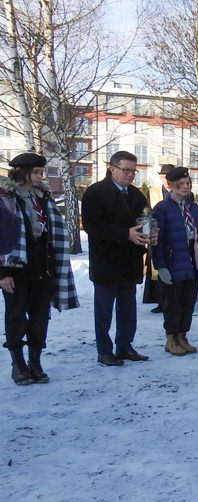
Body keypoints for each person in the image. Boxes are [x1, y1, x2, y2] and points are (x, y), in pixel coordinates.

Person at [0, 153, 79, 383]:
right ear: (22, 172)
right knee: (16, 318)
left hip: (42, 268)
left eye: (41, 172)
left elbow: (52, 232)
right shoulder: (5, 198)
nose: (40, 176)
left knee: (40, 318)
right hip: (15, 271)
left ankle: (35, 361)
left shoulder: (43, 197)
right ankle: (18, 364)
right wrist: (2, 274)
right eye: (36, 172)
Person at [81, 150, 151, 366]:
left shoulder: (136, 195)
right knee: (104, 311)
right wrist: (125, 234)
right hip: (106, 262)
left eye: (134, 171)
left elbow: (144, 219)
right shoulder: (96, 193)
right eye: (126, 170)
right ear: (112, 169)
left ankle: (124, 346)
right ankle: (104, 350)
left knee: (128, 308)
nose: (130, 175)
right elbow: (93, 227)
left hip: (129, 262)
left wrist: (149, 233)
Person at [150, 167, 198, 356]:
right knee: (172, 303)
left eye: (188, 184)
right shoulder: (162, 209)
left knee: (188, 302)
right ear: (172, 186)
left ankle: (183, 335)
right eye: (181, 184)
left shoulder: (194, 208)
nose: (185, 187)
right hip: (174, 261)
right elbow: (157, 241)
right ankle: (171, 338)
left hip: (192, 261)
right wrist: (161, 266)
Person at [143, 163, 175, 313]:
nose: (165, 180)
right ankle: (159, 300)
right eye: (162, 177)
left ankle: (171, 301)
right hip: (157, 235)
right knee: (156, 269)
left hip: (173, 236)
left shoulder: (181, 191)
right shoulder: (153, 192)